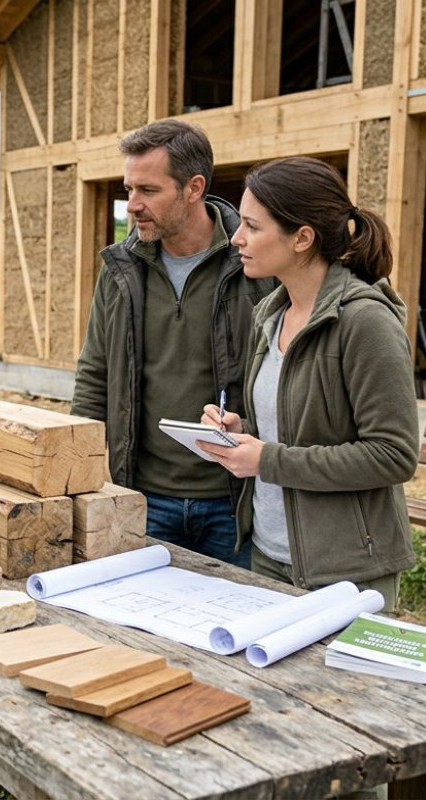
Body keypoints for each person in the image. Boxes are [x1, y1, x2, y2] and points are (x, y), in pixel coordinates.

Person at [199, 156, 418, 611]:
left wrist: (267, 459)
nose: (236, 238)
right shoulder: (271, 314)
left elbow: (393, 455)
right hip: (267, 553)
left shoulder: (365, 322)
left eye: (253, 227)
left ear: (302, 238)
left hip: (346, 570)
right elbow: (293, 432)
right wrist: (242, 433)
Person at [72, 119, 274, 568]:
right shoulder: (119, 268)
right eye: (129, 189)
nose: (132, 205)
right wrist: (79, 471)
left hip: (235, 500)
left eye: (148, 190)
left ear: (193, 188)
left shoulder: (256, 263)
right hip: (144, 496)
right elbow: (94, 373)